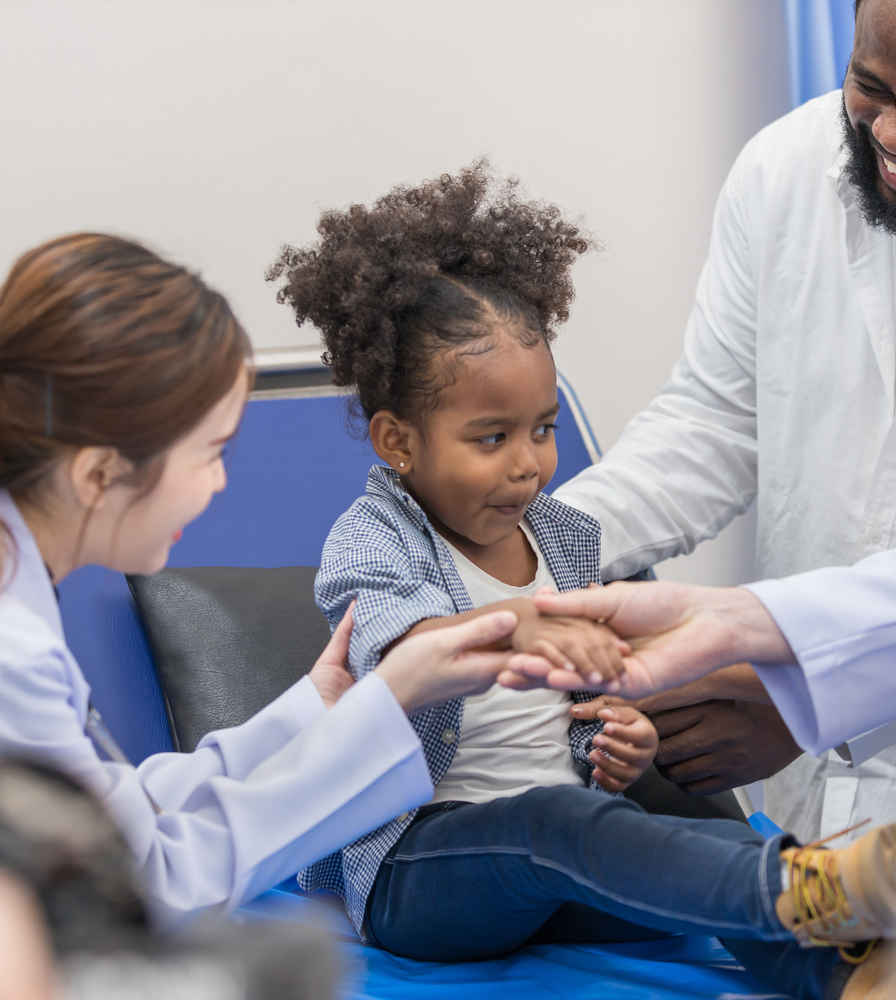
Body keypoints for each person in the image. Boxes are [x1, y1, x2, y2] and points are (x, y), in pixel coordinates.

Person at [266, 162, 896, 1000]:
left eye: (541, 429)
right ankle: (810, 886)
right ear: (399, 442)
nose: (530, 464)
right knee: (559, 823)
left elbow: (620, 690)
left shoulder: (569, 540)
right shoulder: (375, 539)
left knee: (684, 839)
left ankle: (846, 973)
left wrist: (627, 740)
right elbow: (411, 654)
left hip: (559, 858)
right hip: (424, 871)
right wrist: (524, 631)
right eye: (491, 437)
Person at [551, 0, 896, 843]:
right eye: (870, 87)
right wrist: (528, 552)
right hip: (803, 813)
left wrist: (804, 685)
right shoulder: (785, 168)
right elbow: (713, 421)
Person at [0, 231, 540, 920]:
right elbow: (145, 884)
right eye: (211, 452)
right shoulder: (12, 657)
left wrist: (321, 705)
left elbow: (118, 811)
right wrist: (390, 701)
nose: (222, 482)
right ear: (99, 473)